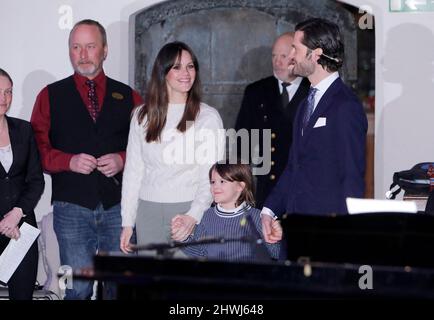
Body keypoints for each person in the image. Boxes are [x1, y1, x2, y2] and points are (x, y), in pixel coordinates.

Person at [30, 19, 142, 299]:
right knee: (75, 289)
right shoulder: (49, 96)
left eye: (90, 46)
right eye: (76, 47)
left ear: (105, 50)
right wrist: (67, 161)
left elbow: (147, 147)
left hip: (120, 208)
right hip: (71, 211)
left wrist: (122, 158)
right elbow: (37, 150)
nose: (82, 54)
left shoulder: (129, 96)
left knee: (120, 288)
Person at [261, 18, 368, 243]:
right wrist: (269, 209)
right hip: (297, 225)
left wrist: (345, 233)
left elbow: (352, 176)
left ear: (316, 54)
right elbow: (294, 166)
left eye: (296, 49)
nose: (291, 56)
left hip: (327, 233)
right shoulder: (304, 104)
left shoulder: (345, 105)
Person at [120, 41, 225, 256]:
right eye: (176, 67)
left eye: (190, 66)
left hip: (190, 210)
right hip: (147, 212)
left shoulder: (207, 117)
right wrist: (128, 223)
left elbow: (212, 176)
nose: (185, 73)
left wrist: (193, 216)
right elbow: (133, 172)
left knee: (186, 286)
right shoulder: (141, 116)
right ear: (163, 72)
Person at [235, 32, 310, 209]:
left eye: (283, 56)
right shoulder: (256, 91)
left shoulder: (313, 91)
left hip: (304, 191)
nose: (277, 62)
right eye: (274, 56)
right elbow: (242, 144)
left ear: (296, 56)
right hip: (267, 190)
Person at [179, 161, 281, 262]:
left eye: (222, 181)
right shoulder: (207, 216)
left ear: (240, 186)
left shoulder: (257, 217)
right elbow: (201, 252)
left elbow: (275, 253)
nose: (215, 187)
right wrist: (183, 239)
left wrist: (273, 239)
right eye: (212, 182)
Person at [0, 68, 44, 300]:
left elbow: (36, 180)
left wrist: (16, 214)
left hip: (21, 229)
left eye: (8, 92)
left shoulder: (24, 129)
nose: (3, 99)